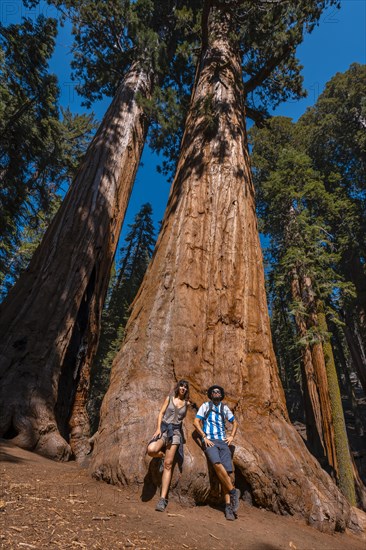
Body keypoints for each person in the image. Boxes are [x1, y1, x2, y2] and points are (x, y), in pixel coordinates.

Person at [193, 385, 240, 521]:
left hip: (223, 442)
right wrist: (204, 436)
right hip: (211, 441)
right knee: (216, 463)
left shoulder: (224, 408)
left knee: (227, 473)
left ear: (221, 394)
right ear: (210, 394)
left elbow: (235, 423)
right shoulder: (205, 406)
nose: (216, 393)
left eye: (218, 391)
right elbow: (196, 422)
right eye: (213, 392)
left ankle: (228, 507)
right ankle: (233, 492)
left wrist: (231, 436)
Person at [147, 379, 190, 512]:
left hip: (176, 433)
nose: (183, 388)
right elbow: (161, 413)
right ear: (178, 387)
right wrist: (158, 429)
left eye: (185, 387)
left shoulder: (186, 404)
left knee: (168, 465)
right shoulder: (169, 398)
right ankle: (160, 456)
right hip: (164, 430)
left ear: (187, 390)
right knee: (151, 450)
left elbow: (182, 420)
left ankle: (162, 499)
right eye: (181, 386)